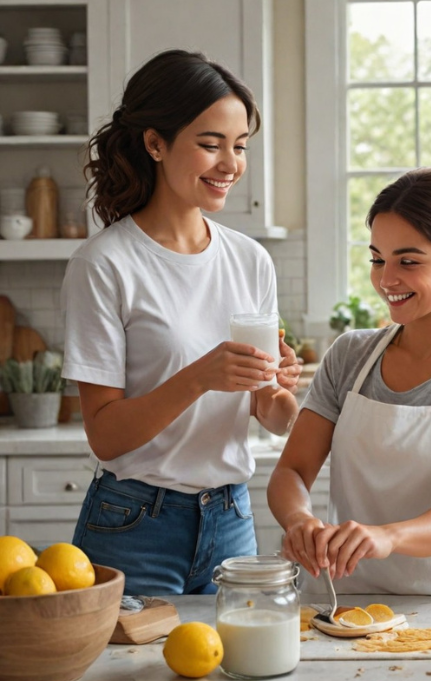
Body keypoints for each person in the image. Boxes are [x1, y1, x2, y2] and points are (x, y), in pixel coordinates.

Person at [61, 49, 301, 596]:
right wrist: (199, 377)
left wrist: (281, 388)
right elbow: (105, 435)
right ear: (155, 143)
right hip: (133, 525)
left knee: (236, 678)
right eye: (210, 144)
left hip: (233, 519)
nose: (230, 164)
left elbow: (274, 415)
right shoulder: (104, 265)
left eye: (239, 147)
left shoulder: (250, 260)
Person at [268, 168, 431, 595]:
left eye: (408, 262)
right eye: (377, 259)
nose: (386, 279)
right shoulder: (350, 355)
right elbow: (292, 471)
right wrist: (299, 519)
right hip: (344, 605)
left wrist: (386, 537)